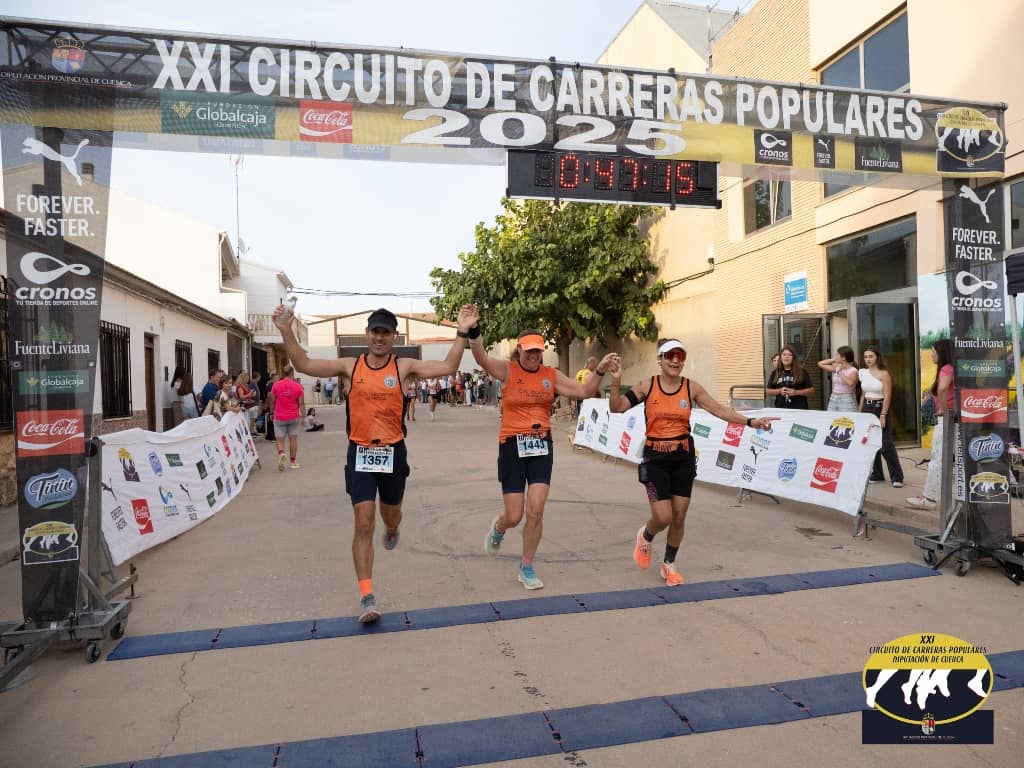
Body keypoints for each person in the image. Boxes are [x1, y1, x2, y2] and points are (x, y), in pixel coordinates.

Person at [273, 303, 479, 624]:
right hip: (360, 452)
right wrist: (286, 330)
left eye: (385, 332)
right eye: (375, 332)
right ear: (367, 334)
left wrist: (462, 331)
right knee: (363, 522)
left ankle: (393, 527)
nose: (379, 337)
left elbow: (449, 365)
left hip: (393, 451)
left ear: (394, 336)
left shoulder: (404, 366)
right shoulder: (349, 366)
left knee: (390, 514)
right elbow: (305, 363)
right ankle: (367, 596)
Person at [609, 339, 778, 586]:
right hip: (655, 458)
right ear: (660, 359)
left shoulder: (691, 388)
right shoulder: (647, 385)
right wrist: (615, 381)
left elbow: (720, 410)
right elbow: (617, 407)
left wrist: (752, 422)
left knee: (679, 515)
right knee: (663, 516)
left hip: (683, 457)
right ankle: (646, 535)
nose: (675, 360)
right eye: (670, 356)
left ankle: (669, 564)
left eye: (680, 356)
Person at [469, 326, 618, 590]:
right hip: (512, 446)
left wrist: (600, 370)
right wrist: (472, 331)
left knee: (535, 511)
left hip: (541, 446)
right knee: (514, 515)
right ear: (520, 349)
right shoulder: (507, 370)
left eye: (537, 351)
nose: (533, 356)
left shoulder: (551, 375)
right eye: (529, 351)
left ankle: (526, 567)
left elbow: (584, 391)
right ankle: (500, 527)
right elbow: (481, 358)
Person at [907, 340, 954, 510]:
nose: (931, 354)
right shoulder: (951, 368)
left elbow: (942, 389)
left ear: (942, 353)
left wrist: (942, 409)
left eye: (933, 351)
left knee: (937, 458)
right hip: (953, 418)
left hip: (947, 419)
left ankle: (929, 498)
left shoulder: (946, 368)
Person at [859, 346, 904, 488]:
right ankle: (877, 473)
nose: (868, 359)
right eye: (866, 357)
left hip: (880, 407)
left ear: (877, 357)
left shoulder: (884, 374)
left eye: (871, 356)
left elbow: (887, 395)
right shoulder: (863, 373)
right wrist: (859, 413)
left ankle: (897, 477)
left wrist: (883, 414)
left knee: (886, 444)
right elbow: (863, 395)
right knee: (871, 443)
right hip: (867, 407)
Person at [267, 366, 305, 471]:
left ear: (282, 373)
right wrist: (304, 417)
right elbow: (301, 403)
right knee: (293, 439)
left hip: (279, 417)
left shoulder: (276, 385)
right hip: (293, 417)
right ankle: (293, 462)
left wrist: (271, 412)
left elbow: (272, 400)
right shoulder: (298, 386)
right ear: (292, 373)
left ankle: (282, 453)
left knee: (279, 440)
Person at [818, 346, 859, 412]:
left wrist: (839, 372)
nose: (835, 356)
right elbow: (820, 364)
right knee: (831, 417)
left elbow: (850, 383)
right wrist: (834, 360)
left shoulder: (853, 370)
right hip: (833, 398)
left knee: (846, 418)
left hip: (846, 399)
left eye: (837, 355)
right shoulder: (837, 368)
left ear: (844, 358)